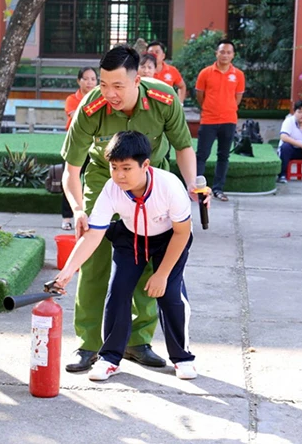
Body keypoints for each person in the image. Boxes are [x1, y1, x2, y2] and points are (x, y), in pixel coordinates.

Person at [61, 45, 205, 373]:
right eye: (103, 84)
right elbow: (72, 169)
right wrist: (78, 209)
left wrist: (191, 185)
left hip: (150, 177)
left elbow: (183, 146)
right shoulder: (91, 107)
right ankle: (89, 344)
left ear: (137, 79)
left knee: (146, 254)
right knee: (94, 257)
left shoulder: (164, 98)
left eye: (118, 86)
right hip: (104, 176)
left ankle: (137, 341)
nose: (109, 93)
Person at [55, 131, 197, 381]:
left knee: (170, 296)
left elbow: (182, 234)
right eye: (114, 167)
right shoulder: (112, 189)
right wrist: (67, 271)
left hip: (169, 240)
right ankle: (109, 358)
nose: (119, 175)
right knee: (117, 291)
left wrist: (162, 274)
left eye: (127, 168)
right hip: (130, 238)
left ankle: (182, 358)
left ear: (145, 165)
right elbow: (93, 235)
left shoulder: (169, 186)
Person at [195, 39, 246, 200]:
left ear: (233, 55)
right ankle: (196, 189)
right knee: (202, 155)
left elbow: (237, 98)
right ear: (216, 53)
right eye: (222, 51)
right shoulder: (205, 73)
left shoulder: (238, 75)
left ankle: (218, 189)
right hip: (208, 120)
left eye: (228, 52)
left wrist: (227, 108)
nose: (225, 55)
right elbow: (200, 96)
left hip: (229, 120)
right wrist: (210, 108)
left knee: (223, 155)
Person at [61, 67, 98, 230]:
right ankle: (67, 217)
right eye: (86, 78)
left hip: (95, 146)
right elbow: (76, 116)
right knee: (69, 179)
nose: (90, 82)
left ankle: (91, 216)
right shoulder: (71, 99)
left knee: (93, 181)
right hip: (76, 146)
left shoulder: (100, 98)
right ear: (79, 81)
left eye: (93, 79)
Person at [146, 41, 186, 105]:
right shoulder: (141, 71)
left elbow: (182, 86)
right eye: (151, 52)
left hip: (167, 108)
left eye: (157, 52)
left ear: (163, 56)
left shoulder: (172, 70)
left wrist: (180, 104)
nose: (154, 55)